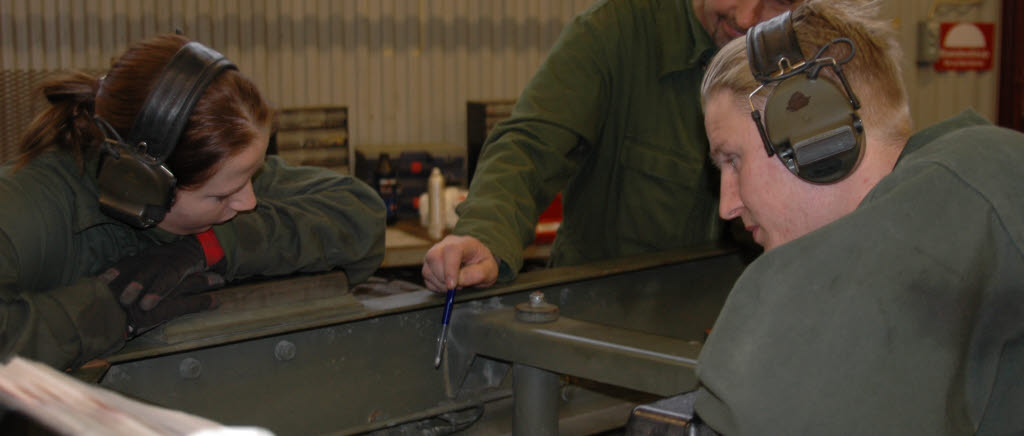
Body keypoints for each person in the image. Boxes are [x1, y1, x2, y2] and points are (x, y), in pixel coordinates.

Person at [692, 0, 1023, 434]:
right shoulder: (969, 179)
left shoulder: (960, 186)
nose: (727, 205)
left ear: (815, 131)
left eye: (732, 160)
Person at [0, 34, 386, 371]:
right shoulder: (26, 212)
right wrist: (106, 311)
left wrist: (213, 246)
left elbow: (359, 214)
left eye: (252, 177)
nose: (249, 201)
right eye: (220, 196)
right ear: (140, 185)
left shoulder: (224, 173)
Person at [421, 0, 801, 292]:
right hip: (600, 326)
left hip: (734, 323)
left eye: (780, 0)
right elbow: (529, 147)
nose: (750, 16)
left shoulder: (805, 55)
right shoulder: (616, 32)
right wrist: (486, 235)